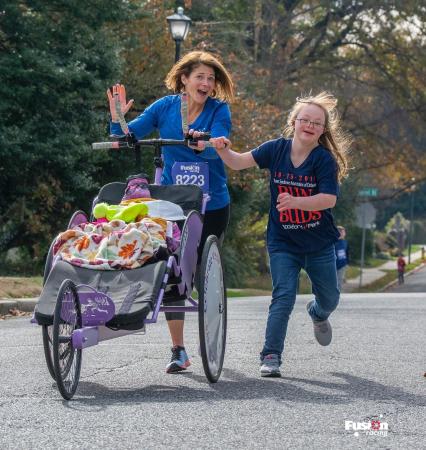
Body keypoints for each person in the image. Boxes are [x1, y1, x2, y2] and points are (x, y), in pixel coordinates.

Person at [107, 51, 235, 373]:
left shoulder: (218, 109)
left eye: (211, 78)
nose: (206, 83)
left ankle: (206, 307)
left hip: (212, 202)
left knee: (200, 268)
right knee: (174, 272)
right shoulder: (164, 107)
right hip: (172, 203)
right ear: (184, 79)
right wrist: (118, 117)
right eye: (200, 77)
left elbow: (218, 140)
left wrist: (205, 142)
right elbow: (125, 135)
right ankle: (178, 349)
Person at [208, 91, 350, 377]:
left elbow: (328, 200)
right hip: (282, 241)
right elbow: (237, 162)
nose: (309, 125)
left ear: (323, 130)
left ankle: (317, 314)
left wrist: (297, 202)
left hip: (319, 243)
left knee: (331, 298)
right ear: (293, 122)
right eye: (304, 120)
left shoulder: (323, 160)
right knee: (283, 296)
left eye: (316, 123)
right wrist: (222, 149)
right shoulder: (275, 149)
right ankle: (271, 354)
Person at [335, 225, 349, 292]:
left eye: (344, 232)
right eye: (343, 232)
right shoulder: (334, 242)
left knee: (339, 280)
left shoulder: (345, 242)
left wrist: (347, 263)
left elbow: (346, 253)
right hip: (334, 265)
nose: (344, 233)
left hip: (342, 265)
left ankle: (338, 294)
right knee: (334, 281)